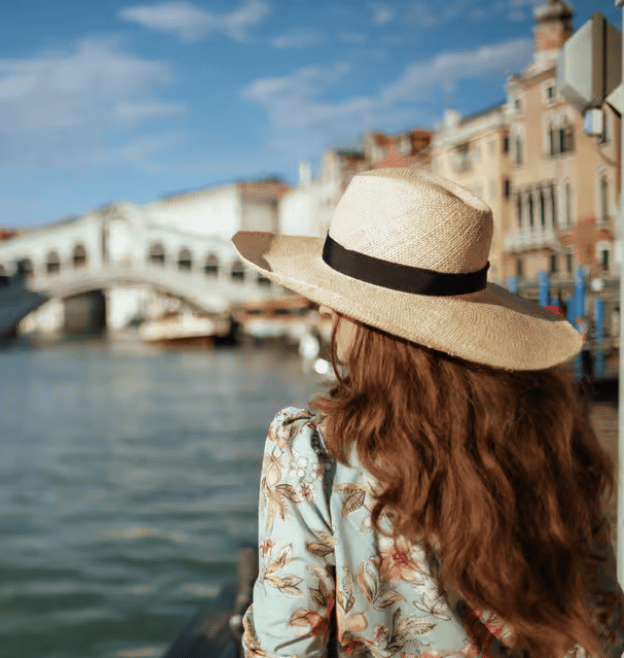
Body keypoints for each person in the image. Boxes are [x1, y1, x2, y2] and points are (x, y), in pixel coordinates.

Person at [230, 168, 624, 658]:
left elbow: (284, 647)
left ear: (363, 318)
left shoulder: (312, 451)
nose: (323, 312)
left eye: (333, 302)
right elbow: (602, 628)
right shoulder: (552, 437)